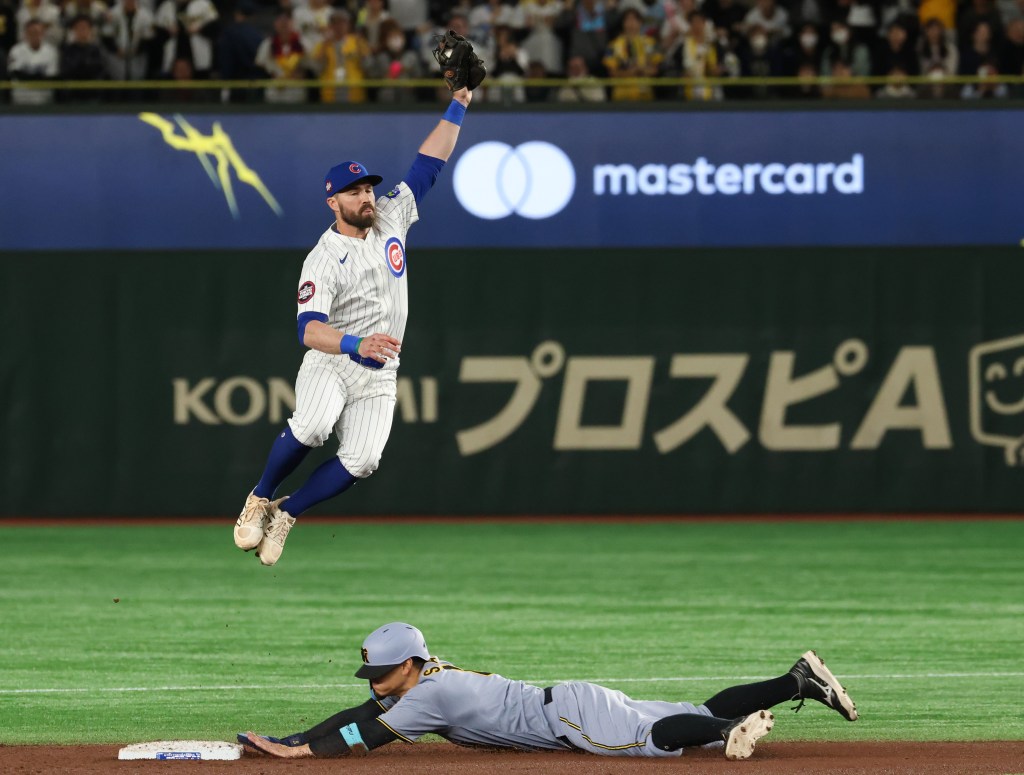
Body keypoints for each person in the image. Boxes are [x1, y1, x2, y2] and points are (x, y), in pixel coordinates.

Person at [233, 86, 477, 567]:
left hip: (380, 370)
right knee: (314, 426)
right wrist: (355, 343)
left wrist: (460, 103)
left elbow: (430, 162)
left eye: (367, 188)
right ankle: (259, 496)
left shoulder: (390, 217)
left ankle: (286, 513)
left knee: (364, 461)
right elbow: (308, 331)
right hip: (333, 361)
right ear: (333, 202)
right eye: (354, 191)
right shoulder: (323, 258)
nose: (366, 197)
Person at [239, 622, 858, 761]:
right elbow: (360, 711)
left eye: (380, 672)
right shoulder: (423, 679)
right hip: (569, 701)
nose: (374, 682)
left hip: (568, 719)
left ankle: (728, 731)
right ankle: (796, 680)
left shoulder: (425, 697)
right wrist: (294, 736)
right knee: (688, 710)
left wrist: (305, 753)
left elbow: (364, 734)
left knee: (650, 740)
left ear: (407, 665)